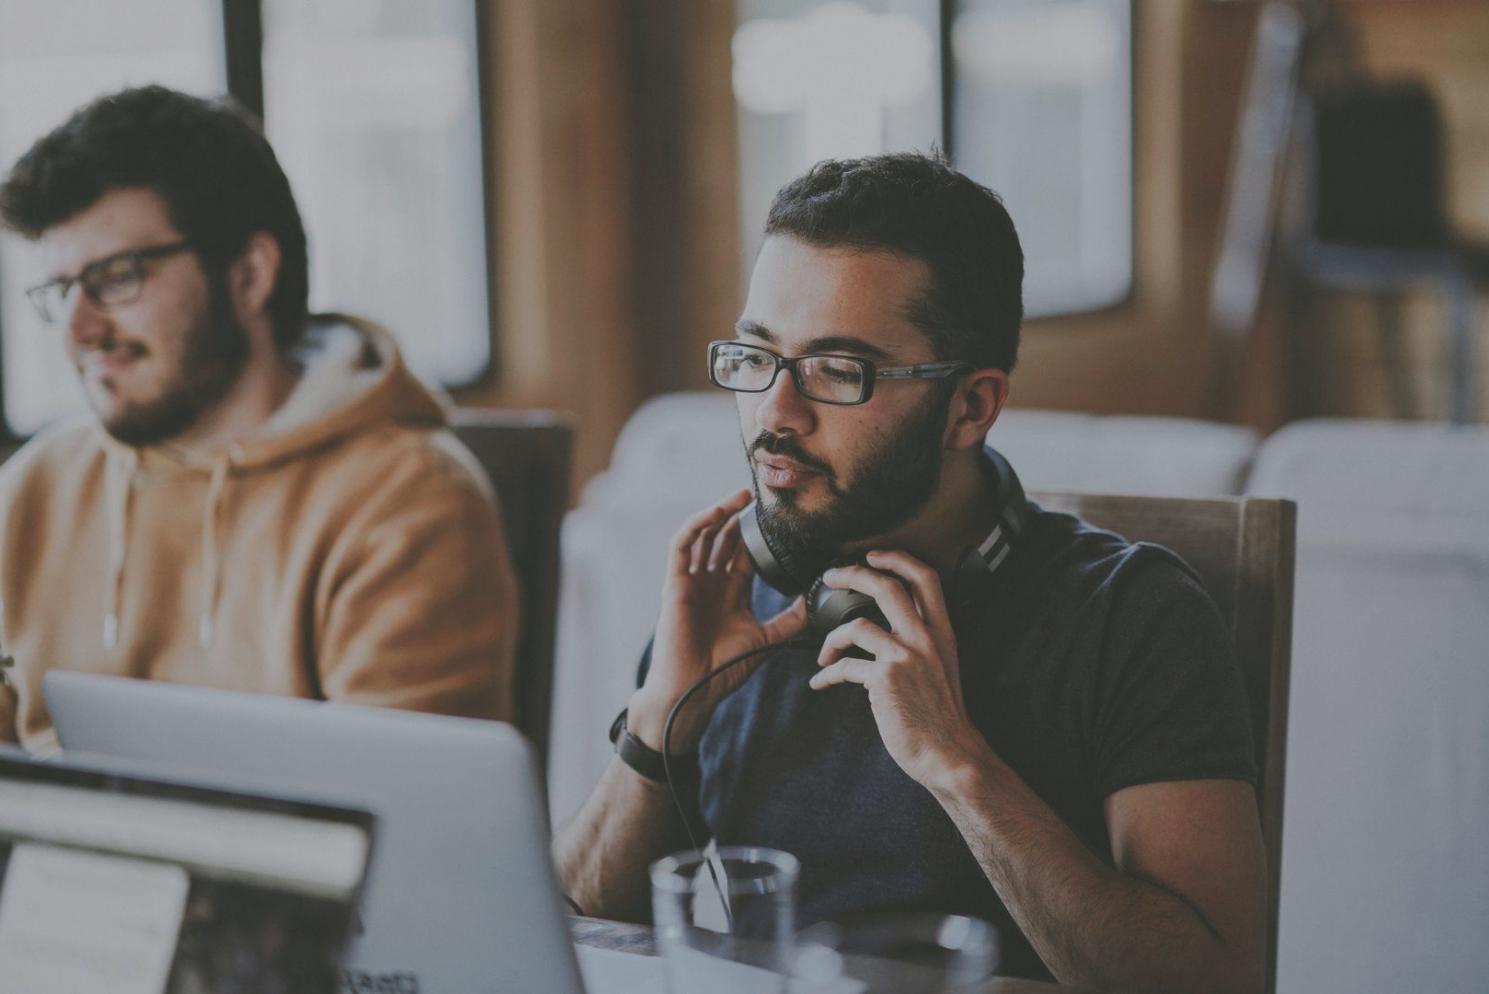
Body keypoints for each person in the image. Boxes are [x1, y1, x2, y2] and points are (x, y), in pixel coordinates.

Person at [554, 153, 1266, 993]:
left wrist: (956, 764)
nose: (774, 414)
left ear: (970, 406)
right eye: (756, 356)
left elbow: (1214, 982)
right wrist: (661, 720)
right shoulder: (733, 593)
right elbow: (569, 929)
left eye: (836, 370)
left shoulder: (1131, 614)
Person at [0, 86, 518, 751]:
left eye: (118, 277)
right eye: (61, 290)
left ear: (249, 274)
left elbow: (402, 808)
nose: (79, 330)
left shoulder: (407, 502)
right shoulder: (34, 487)